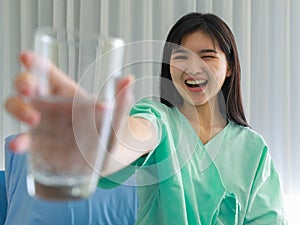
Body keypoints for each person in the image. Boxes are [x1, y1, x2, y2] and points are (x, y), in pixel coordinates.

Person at [5, 12, 287, 224]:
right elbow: (131, 138)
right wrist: (100, 140)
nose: (192, 68)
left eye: (207, 56)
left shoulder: (254, 150)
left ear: (228, 68)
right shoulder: (158, 119)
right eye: (181, 57)